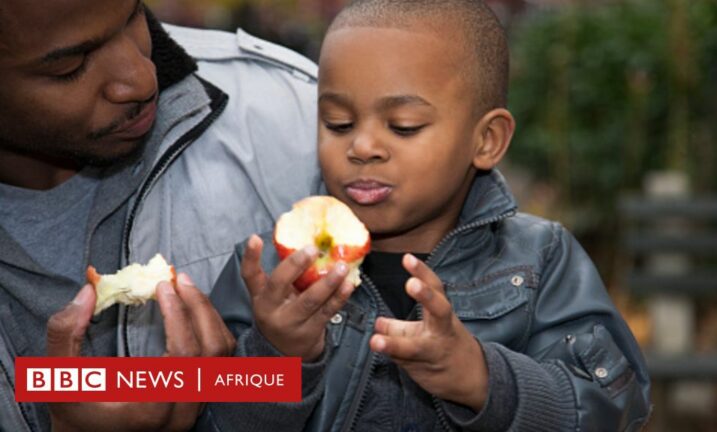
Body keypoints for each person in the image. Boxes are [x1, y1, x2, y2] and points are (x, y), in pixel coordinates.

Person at [209, 0, 653, 430]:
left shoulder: (540, 259)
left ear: (487, 141)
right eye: (338, 123)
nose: (362, 147)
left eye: (403, 126)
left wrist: (484, 380)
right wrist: (277, 357)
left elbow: (618, 406)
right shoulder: (269, 270)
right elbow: (206, 418)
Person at [0, 0, 321, 430]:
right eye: (70, 67)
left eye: (134, 16)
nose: (141, 79)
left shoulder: (297, 117)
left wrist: (251, 380)